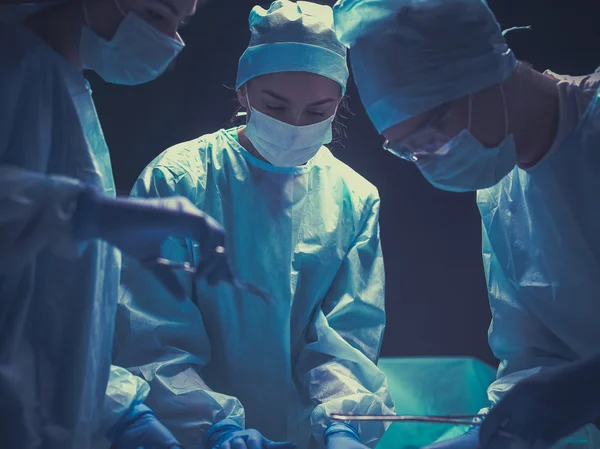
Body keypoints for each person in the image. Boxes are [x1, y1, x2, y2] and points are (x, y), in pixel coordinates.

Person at [113, 1, 395, 449]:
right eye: (275, 105)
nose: (294, 125)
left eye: (317, 111)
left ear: (340, 103)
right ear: (244, 91)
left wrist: (344, 418)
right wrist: (214, 427)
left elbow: (345, 337)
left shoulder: (353, 197)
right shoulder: (180, 179)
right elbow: (152, 334)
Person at [333, 0, 600, 447]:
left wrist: (586, 387)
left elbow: (563, 388)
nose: (427, 160)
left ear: (480, 75)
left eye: (430, 137)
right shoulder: (501, 195)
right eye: (408, 151)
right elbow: (532, 356)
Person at [0, 0, 234, 448]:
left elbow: (57, 317)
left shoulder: (67, 88)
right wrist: (88, 213)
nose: (171, 40)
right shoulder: (13, 65)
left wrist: (118, 409)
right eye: (155, 14)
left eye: (180, 23)